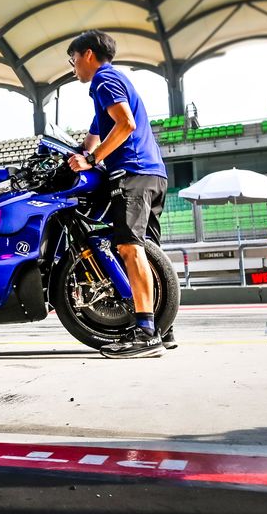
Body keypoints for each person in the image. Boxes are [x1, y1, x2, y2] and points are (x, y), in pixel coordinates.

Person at [65, 30, 176, 358]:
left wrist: (92, 160)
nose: (73, 67)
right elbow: (94, 135)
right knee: (148, 252)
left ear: (88, 54)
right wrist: (82, 152)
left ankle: (146, 335)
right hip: (153, 174)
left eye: (73, 60)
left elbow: (125, 124)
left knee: (128, 247)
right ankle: (163, 326)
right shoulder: (111, 86)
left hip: (132, 173)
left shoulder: (104, 79)